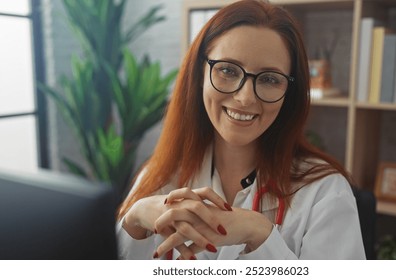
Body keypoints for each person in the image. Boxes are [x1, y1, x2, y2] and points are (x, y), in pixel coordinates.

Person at [116, 0, 366, 260]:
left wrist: (259, 234)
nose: (245, 98)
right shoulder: (159, 175)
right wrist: (134, 220)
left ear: (288, 94)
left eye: (269, 78)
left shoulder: (325, 193)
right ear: (199, 74)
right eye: (227, 70)